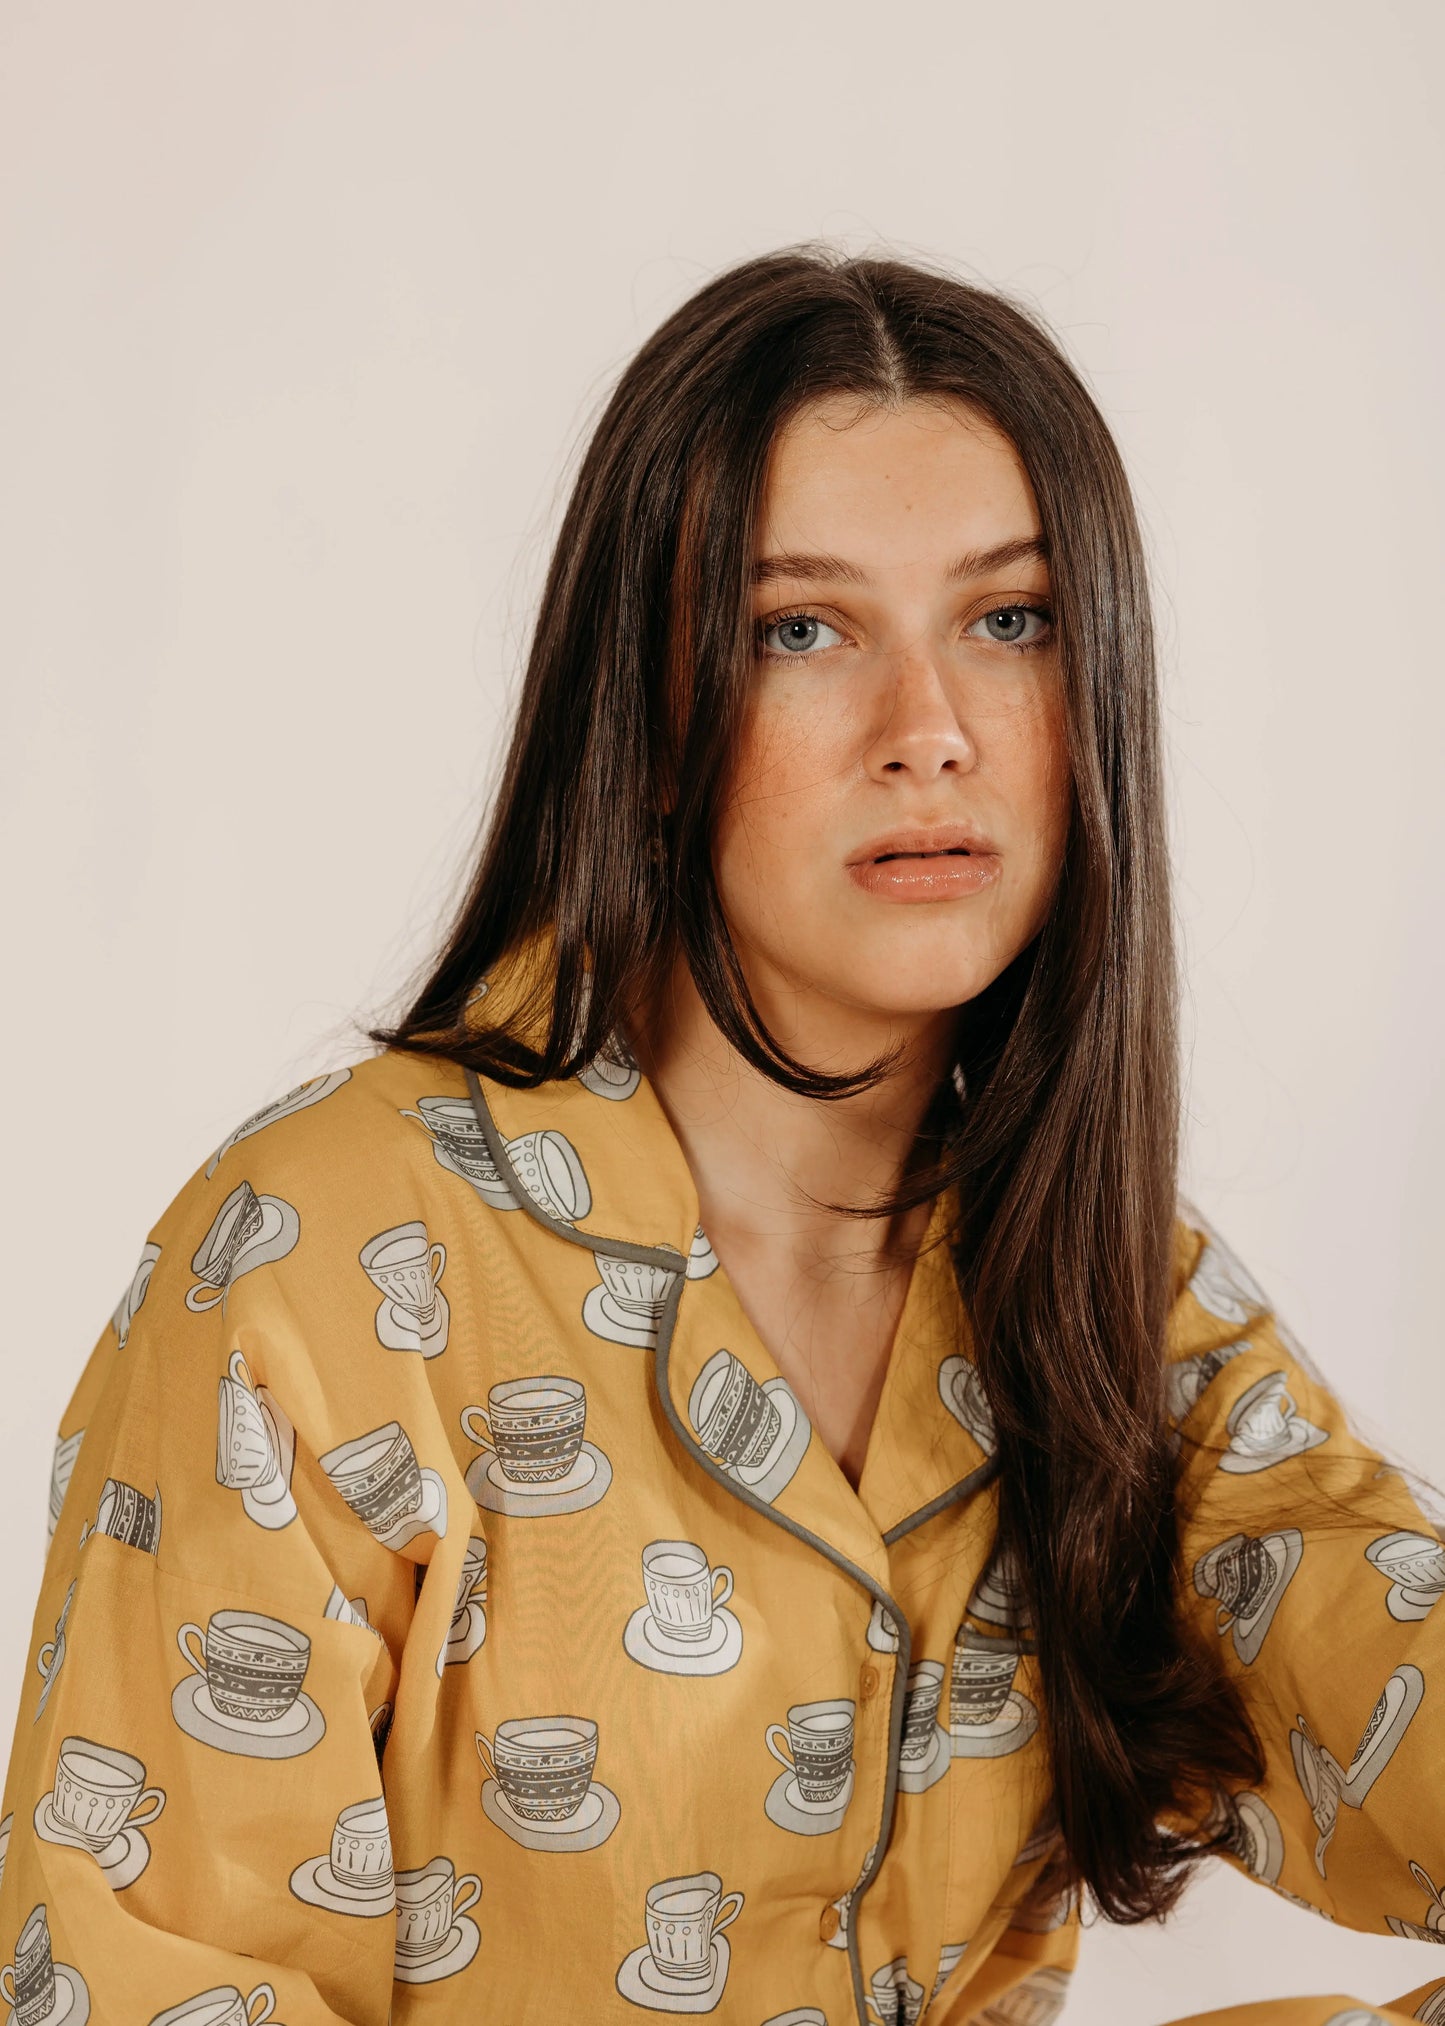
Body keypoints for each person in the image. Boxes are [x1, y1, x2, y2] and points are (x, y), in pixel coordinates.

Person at [0, 247, 1440, 2026]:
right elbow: (148, 1983)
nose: (930, 734)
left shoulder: (1103, 1286)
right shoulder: (320, 1267)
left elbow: (1375, 1647)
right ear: (651, 714)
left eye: (1010, 622)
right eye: (799, 630)